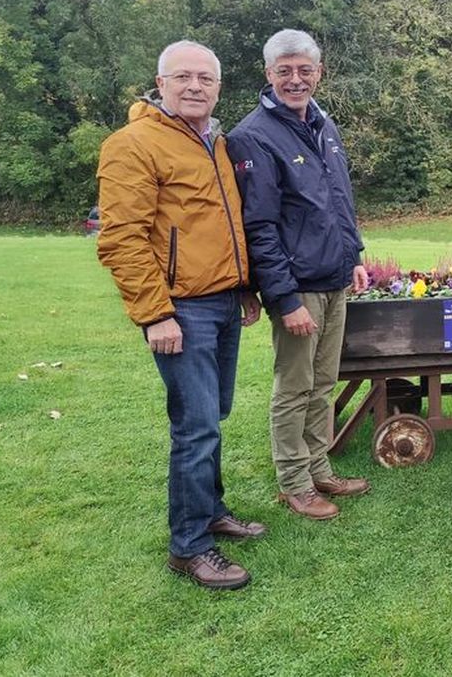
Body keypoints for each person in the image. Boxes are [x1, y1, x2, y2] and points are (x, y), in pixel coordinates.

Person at [97, 40, 264, 590]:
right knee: (195, 427)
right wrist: (155, 314)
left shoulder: (213, 141)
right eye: (183, 77)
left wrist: (243, 288)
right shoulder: (134, 144)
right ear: (160, 82)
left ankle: (211, 508)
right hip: (180, 309)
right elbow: (121, 239)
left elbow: (224, 223)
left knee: (213, 414)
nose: (195, 86)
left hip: (221, 300)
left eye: (206, 79)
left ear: (218, 87)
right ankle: (189, 546)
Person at [228, 29, 370, 521]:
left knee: (323, 383)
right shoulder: (254, 135)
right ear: (268, 74)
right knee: (294, 387)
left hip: (334, 278)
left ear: (318, 73)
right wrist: (284, 299)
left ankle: (319, 466)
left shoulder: (324, 125)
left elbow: (339, 200)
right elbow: (259, 227)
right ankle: (294, 482)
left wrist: (354, 253)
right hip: (298, 287)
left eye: (304, 70)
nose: (295, 79)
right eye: (284, 70)